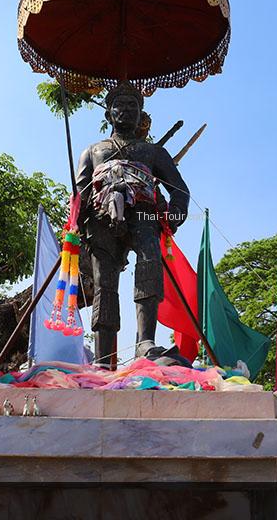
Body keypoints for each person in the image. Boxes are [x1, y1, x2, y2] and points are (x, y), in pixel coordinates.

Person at [76, 82, 189, 368]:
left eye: (133, 107)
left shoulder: (152, 152)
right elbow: (80, 193)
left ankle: (145, 342)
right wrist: (78, 225)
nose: (126, 111)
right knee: (104, 282)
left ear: (141, 115)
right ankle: (103, 355)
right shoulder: (92, 150)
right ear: (108, 115)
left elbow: (180, 191)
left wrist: (171, 218)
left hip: (145, 216)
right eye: (120, 107)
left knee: (150, 264)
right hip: (101, 219)